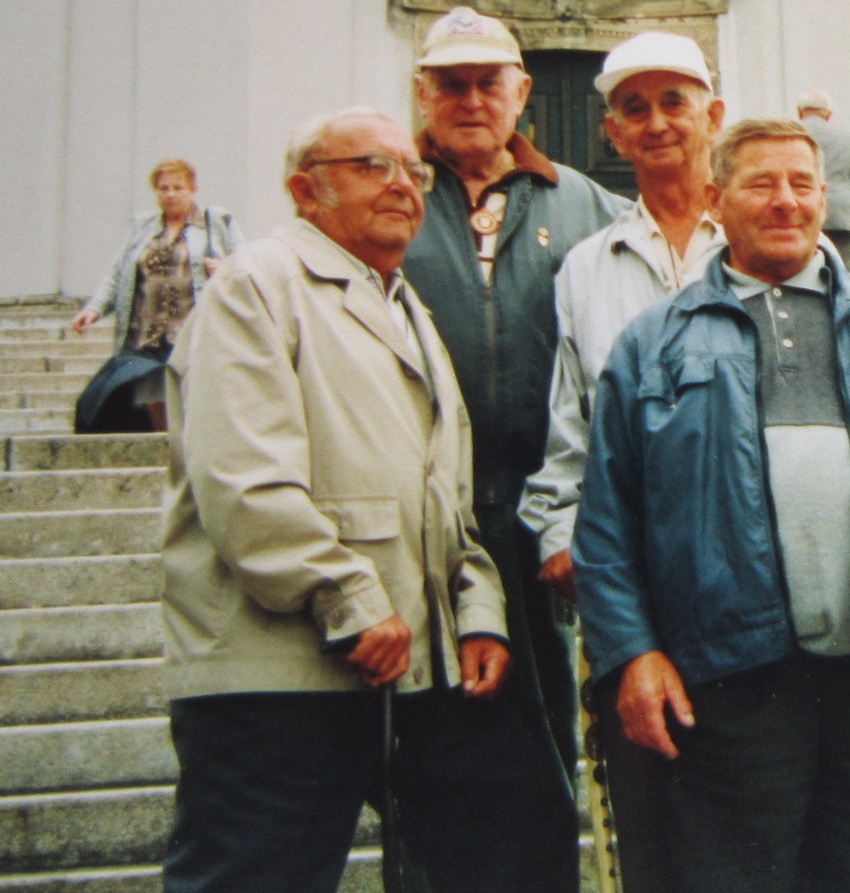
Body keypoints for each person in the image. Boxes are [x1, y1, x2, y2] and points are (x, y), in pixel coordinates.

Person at [575, 118, 850, 893]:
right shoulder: (652, 343)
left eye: (803, 183)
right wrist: (633, 653)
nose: (786, 201)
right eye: (761, 183)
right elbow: (606, 527)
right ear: (716, 199)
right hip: (726, 691)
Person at [161, 108, 575, 893]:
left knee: (513, 831)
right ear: (304, 190)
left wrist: (477, 614)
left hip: (416, 660)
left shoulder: (404, 304)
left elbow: (445, 502)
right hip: (281, 671)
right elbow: (243, 481)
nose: (402, 186)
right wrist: (348, 597)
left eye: (411, 171)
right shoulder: (257, 284)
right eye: (370, 166)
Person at [400, 6, 625, 871]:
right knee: (428, 751)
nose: (470, 99)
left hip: (541, 521)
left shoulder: (585, 202)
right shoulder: (392, 192)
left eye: (487, 82)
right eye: (450, 84)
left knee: (543, 745)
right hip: (424, 521)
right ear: (421, 93)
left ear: (522, 91)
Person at [520, 31, 727, 893]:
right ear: (611, 132)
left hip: (762, 590)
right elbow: (571, 420)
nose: (657, 122)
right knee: (642, 832)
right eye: (634, 109)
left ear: (714, 115)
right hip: (633, 585)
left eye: (675, 101)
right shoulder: (585, 267)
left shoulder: (769, 236)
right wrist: (557, 530)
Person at [71, 160, 243, 432]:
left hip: (192, 331)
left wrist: (225, 270)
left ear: (193, 189)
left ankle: (190, 448)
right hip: (147, 335)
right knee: (153, 398)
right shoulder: (144, 227)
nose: (171, 194)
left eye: (178, 187)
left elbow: (246, 265)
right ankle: (164, 448)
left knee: (192, 395)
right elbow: (118, 274)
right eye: (164, 188)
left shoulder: (216, 222)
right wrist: (93, 310)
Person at [795, 88, 850, 271]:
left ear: (799, 112)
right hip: (840, 222)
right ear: (829, 114)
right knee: (845, 280)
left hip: (799, 219)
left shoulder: (788, 138)